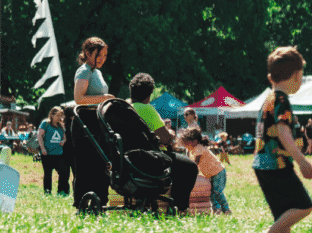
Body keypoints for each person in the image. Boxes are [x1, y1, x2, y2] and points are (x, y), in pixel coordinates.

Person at [250, 46, 312, 233]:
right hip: (276, 163)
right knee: (304, 206)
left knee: (283, 212)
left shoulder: (269, 98)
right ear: (297, 75)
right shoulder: (281, 99)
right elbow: (282, 130)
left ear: (271, 77)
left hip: (262, 164)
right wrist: (301, 159)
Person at [128, 72, 200, 214]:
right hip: (149, 159)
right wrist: (171, 135)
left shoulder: (124, 108)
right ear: (149, 95)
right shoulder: (147, 109)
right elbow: (166, 138)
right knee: (189, 167)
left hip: (127, 160)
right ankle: (180, 208)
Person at [71, 36, 117, 209]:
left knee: (101, 163)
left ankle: (100, 201)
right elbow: (78, 98)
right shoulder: (83, 71)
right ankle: (82, 203)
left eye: (105, 55)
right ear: (88, 53)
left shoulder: (97, 71)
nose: (103, 59)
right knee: (85, 165)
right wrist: (104, 98)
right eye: (100, 55)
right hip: (84, 123)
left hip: (98, 121)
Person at [180, 128, 231, 214]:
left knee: (217, 192)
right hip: (212, 174)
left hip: (218, 172)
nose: (185, 145)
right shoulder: (194, 149)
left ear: (194, 141)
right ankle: (217, 210)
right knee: (212, 194)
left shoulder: (198, 148)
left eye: (186, 143)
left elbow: (196, 162)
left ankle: (226, 209)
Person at [37, 106, 70, 195]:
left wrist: (63, 141)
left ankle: (61, 190)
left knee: (63, 171)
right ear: (52, 115)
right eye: (58, 115)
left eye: (61, 116)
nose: (60, 117)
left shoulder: (61, 126)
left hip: (59, 153)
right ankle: (47, 191)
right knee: (48, 174)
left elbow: (64, 137)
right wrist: (42, 148)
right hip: (47, 153)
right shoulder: (45, 123)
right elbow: (39, 136)